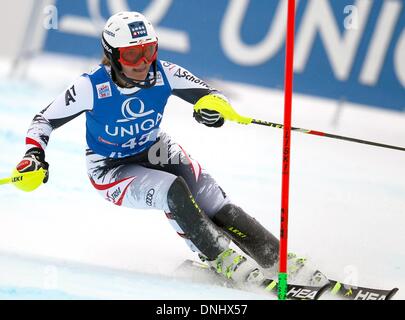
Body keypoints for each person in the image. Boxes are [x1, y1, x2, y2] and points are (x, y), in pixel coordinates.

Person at [15, 11, 302, 285]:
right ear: (113, 56)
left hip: (155, 148)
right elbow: (44, 120)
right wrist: (34, 155)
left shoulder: (166, 73)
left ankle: (276, 258)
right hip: (110, 168)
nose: (143, 62)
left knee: (213, 201)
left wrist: (212, 110)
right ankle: (219, 258)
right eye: (131, 55)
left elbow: (212, 96)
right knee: (172, 190)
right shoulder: (90, 87)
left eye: (149, 51)